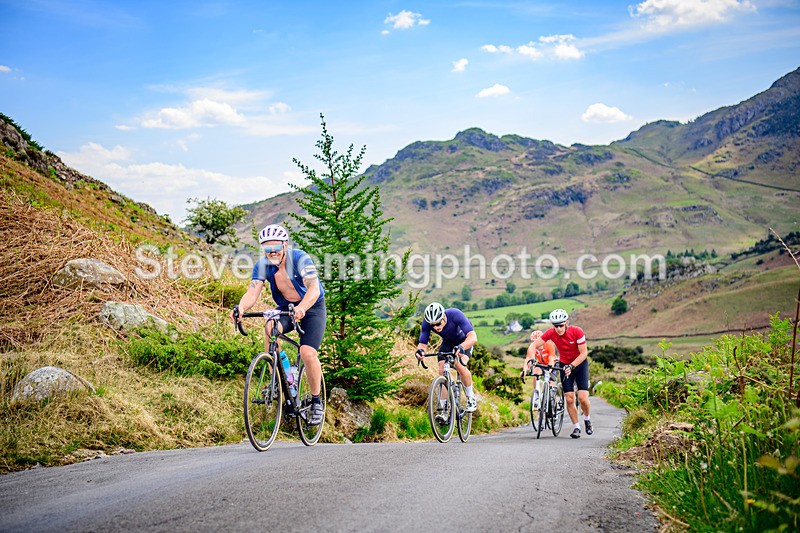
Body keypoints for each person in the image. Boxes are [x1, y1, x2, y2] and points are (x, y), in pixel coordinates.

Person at [230, 224, 326, 426]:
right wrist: (241, 307)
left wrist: (302, 308)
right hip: (286, 308)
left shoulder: (300, 259)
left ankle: (317, 402)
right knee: (270, 328)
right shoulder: (263, 265)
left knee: (307, 353)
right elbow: (252, 292)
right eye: (267, 248)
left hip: (312, 307)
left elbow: (314, 289)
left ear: (285, 245)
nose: (272, 252)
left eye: (276, 247)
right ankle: (282, 378)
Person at [530, 309, 592, 438]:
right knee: (569, 398)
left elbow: (584, 353)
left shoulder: (577, 331)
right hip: (564, 365)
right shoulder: (551, 332)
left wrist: (572, 365)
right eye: (555, 326)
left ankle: (587, 419)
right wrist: (531, 359)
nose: (558, 329)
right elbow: (533, 345)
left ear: (566, 323)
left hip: (580, 365)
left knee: (582, 398)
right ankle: (576, 427)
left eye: (561, 325)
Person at [415, 302, 479, 416]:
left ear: (444, 316)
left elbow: (473, 337)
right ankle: (444, 410)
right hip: (448, 343)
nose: (436, 327)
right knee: (441, 371)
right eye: (432, 325)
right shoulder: (427, 323)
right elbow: (422, 344)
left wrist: (462, 347)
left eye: (438, 323)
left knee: (459, 365)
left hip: (464, 342)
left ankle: (471, 398)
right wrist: (420, 352)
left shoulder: (455, 314)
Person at [521, 330, 558, 407]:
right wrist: (524, 371)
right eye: (534, 342)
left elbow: (551, 359)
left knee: (551, 385)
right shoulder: (532, 347)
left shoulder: (549, 345)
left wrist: (549, 370)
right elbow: (528, 359)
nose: (535, 345)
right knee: (535, 372)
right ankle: (537, 395)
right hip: (541, 364)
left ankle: (552, 402)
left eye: (537, 342)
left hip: (552, 364)